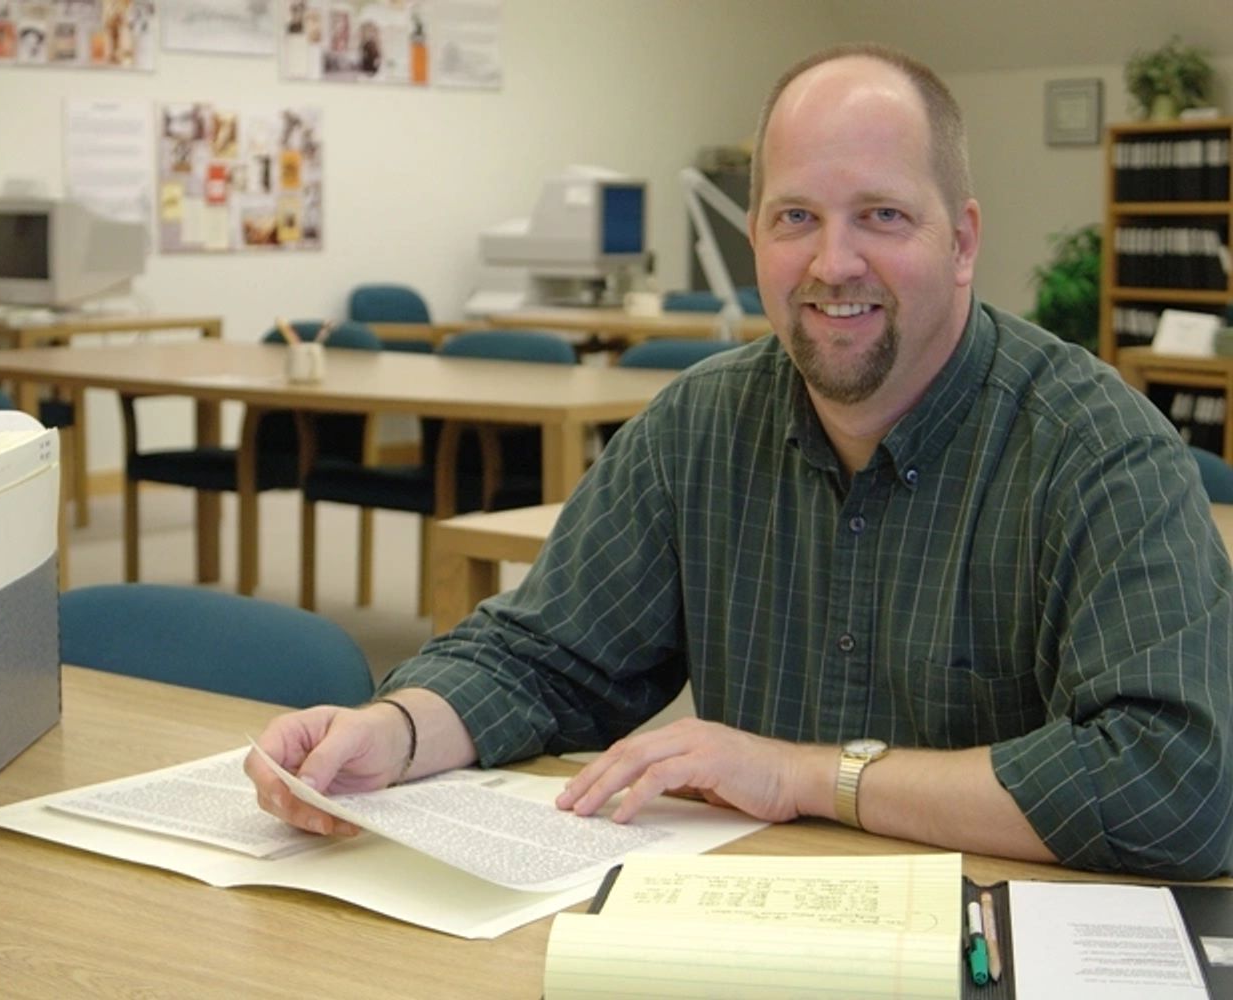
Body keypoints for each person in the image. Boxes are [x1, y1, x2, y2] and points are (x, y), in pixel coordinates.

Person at [247, 43, 1233, 879]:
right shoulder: (701, 425)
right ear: (755, 233)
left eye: (881, 216)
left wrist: (803, 774)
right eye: (793, 216)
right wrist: (398, 730)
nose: (832, 262)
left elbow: (1171, 782)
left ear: (963, 239)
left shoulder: (1094, 446)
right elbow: (541, 654)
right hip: (745, 932)